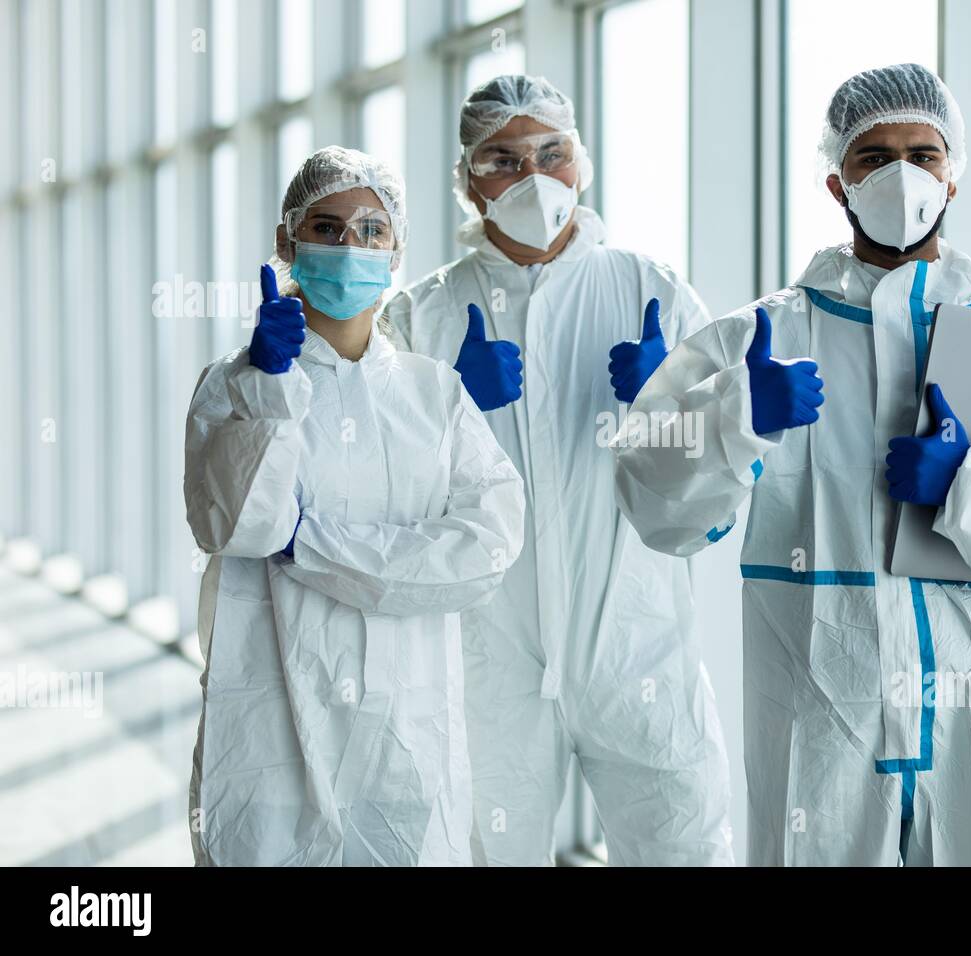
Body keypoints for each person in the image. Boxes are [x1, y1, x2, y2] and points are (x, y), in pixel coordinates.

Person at [612, 64, 971, 866]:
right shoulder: (758, 339)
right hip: (821, 718)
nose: (901, 175)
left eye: (922, 155)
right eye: (873, 157)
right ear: (837, 182)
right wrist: (734, 419)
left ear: (952, 178)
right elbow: (656, 507)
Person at [381, 75, 733, 866]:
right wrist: (446, 407)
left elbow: (712, 501)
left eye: (552, 153)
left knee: (683, 847)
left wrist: (668, 408)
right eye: (503, 159)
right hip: (483, 660)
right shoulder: (421, 316)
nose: (533, 178)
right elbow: (384, 498)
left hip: (636, 651)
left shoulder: (652, 292)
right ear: (468, 181)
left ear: (583, 162)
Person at [184, 146, 526, 866]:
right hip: (268, 741)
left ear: (397, 249)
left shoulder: (435, 394)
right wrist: (271, 393)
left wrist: (310, 545)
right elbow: (242, 526)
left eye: (372, 231)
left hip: (408, 742)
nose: (350, 248)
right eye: (328, 228)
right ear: (287, 244)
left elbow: (485, 552)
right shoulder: (232, 387)